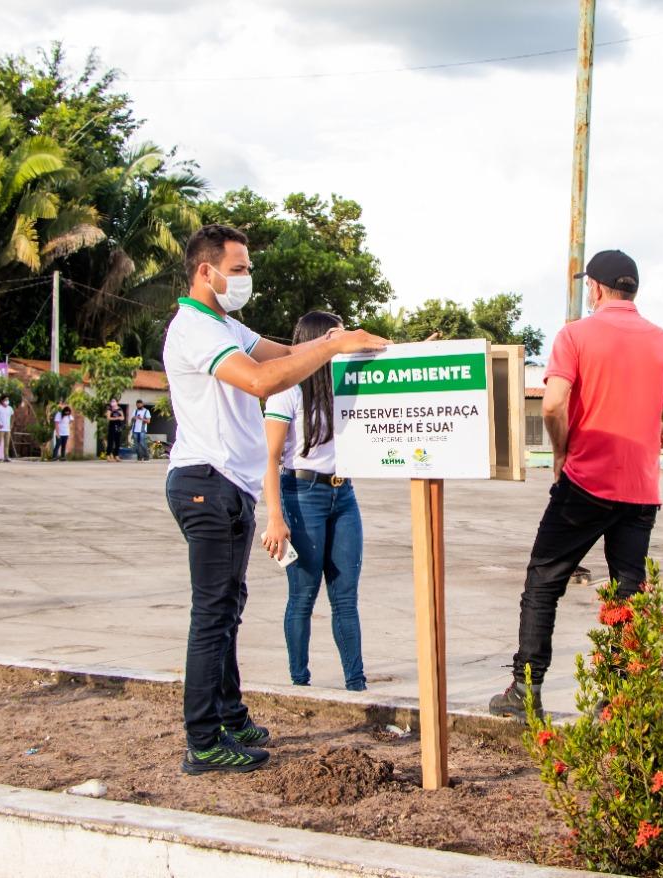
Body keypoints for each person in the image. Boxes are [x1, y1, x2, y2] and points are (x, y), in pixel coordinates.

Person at [163, 223, 387, 775]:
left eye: (247, 269)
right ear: (205, 271)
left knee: (228, 609)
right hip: (205, 483)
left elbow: (287, 351)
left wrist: (348, 342)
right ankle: (203, 741)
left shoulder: (226, 324)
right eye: (238, 269)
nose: (246, 278)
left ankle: (231, 716)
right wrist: (333, 344)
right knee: (212, 615)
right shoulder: (195, 330)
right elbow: (262, 381)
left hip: (226, 486)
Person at [488, 249, 663, 720]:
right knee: (629, 590)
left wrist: (561, 452)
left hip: (584, 484)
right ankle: (618, 700)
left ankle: (526, 691)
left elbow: (555, 406)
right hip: (640, 492)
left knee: (543, 583)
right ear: (632, 290)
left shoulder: (576, 336)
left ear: (596, 289)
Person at [262, 311, 367, 692]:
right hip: (301, 496)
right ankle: (299, 682)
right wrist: (275, 517)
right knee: (303, 596)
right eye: (335, 337)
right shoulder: (287, 390)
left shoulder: (347, 385)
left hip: (345, 496)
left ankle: (356, 684)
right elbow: (270, 458)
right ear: (316, 340)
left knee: (345, 598)